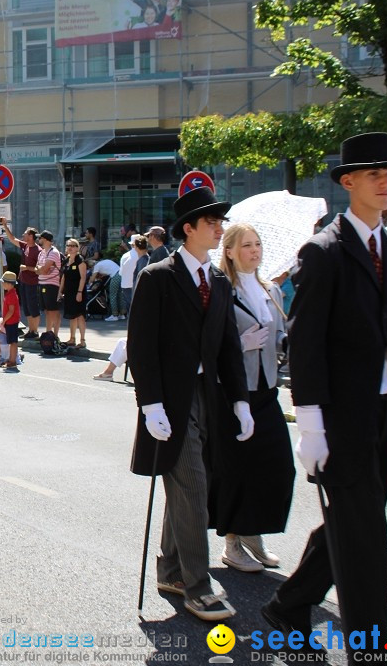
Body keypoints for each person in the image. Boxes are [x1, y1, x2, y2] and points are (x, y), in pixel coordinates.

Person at [264, 133, 387, 664]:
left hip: (380, 413)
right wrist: (310, 423)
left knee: (352, 521)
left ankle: (289, 605)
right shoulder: (324, 250)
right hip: (337, 416)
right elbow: (306, 342)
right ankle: (368, 652)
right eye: (375, 174)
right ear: (348, 182)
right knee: (365, 539)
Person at [127, 182, 253, 621]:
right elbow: (141, 345)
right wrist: (151, 404)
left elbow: (228, 347)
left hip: (207, 397)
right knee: (193, 485)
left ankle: (171, 568)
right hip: (171, 401)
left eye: (220, 222)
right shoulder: (158, 277)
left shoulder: (217, 279)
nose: (220, 229)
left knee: (189, 485)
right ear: (189, 228)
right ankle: (198, 586)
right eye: (212, 222)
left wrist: (240, 400)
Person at [211, 223, 295, 573]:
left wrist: (285, 343)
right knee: (237, 469)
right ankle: (233, 541)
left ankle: (253, 532)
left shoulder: (271, 290)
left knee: (278, 467)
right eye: (247, 245)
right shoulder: (220, 291)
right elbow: (211, 343)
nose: (255, 251)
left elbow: (278, 339)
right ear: (229, 251)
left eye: (258, 244)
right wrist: (238, 345)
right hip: (233, 391)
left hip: (266, 391)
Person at [0, 220, 41, 338]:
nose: (23, 235)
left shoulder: (38, 251)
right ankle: (31, 331)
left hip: (32, 282)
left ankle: (35, 331)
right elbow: (12, 239)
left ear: (31, 236)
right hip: (23, 281)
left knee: (33, 307)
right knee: (26, 307)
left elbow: (39, 269)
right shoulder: (25, 246)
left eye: (25, 234)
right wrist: (5, 226)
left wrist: (26, 267)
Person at [59, 238, 87, 348]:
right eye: (68, 245)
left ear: (77, 248)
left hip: (78, 291)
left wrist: (79, 292)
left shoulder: (80, 260)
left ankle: (82, 340)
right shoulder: (66, 260)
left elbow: (83, 278)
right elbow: (63, 278)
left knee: (80, 315)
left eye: (73, 246)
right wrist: (60, 292)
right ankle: (72, 338)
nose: (70, 247)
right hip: (69, 292)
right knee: (72, 316)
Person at [36, 231, 62, 337]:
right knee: (47, 311)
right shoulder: (41, 252)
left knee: (53, 311)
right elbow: (37, 269)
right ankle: (48, 333)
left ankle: (54, 335)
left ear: (45, 239)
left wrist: (40, 269)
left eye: (40, 238)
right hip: (41, 283)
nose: (38, 240)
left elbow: (44, 269)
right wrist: (40, 270)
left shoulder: (54, 252)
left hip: (51, 284)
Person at [0, 271, 21, 370]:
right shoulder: (10, 294)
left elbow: (11, 311)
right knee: (11, 341)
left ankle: (12, 361)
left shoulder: (11, 295)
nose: (2, 284)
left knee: (13, 342)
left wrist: (4, 320)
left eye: (4, 282)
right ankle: (11, 359)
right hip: (10, 321)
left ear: (9, 283)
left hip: (12, 321)